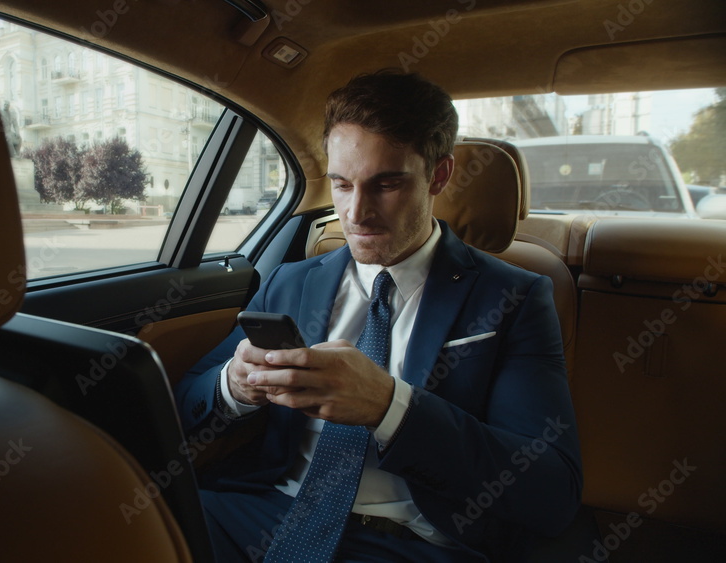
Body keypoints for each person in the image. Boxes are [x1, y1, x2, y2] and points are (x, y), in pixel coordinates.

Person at [174, 70, 582, 562]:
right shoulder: (290, 281)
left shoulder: (514, 297)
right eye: (342, 185)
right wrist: (233, 387)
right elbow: (181, 404)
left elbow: (550, 491)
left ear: (439, 175)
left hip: (411, 539)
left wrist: (390, 408)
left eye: (386, 184)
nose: (356, 212)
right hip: (265, 511)